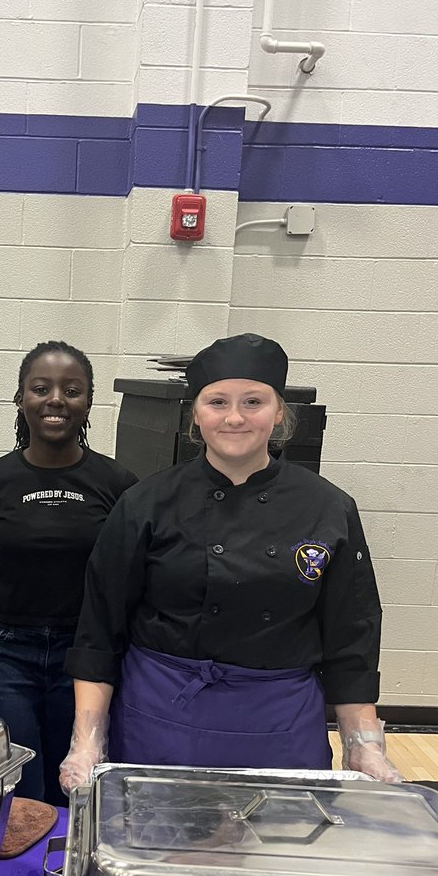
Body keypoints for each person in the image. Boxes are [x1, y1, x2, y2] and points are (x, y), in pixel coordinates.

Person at [61, 332, 400, 791]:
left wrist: (363, 742)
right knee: (159, 847)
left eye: (253, 402)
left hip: (279, 724)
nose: (235, 417)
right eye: (217, 402)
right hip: (162, 716)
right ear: (195, 415)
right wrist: (87, 740)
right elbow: (100, 631)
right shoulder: (145, 504)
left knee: (277, 849)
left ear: (279, 411)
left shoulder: (328, 508)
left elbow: (351, 636)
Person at [0, 342, 137, 804]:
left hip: (86, 658)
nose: (56, 399)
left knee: (77, 786)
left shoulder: (119, 486)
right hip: (8, 651)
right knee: (16, 784)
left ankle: (67, 875)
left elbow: (125, 578)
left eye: (71, 390)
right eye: (41, 388)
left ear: (88, 402)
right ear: (21, 399)